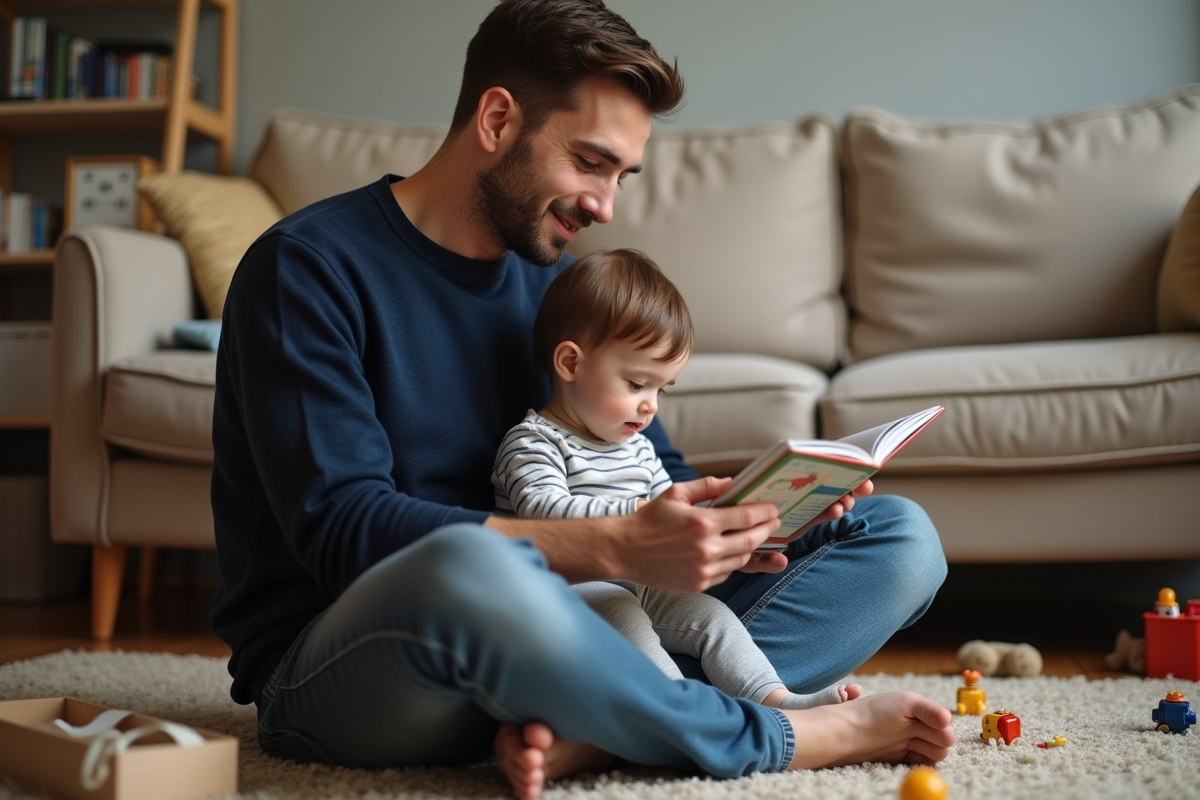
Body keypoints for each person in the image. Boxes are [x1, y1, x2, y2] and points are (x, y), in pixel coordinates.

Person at [209, 1, 954, 798]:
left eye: (622, 175)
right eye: (591, 162)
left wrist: (742, 522)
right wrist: (622, 545)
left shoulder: (563, 287)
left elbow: (648, 470)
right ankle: (762, 733)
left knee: (899, 536)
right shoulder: (308, 269)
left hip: (585, 622)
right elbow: (343, 532)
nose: (606, 205)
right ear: (497, 120)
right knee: (467, 567)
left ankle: (601, 731)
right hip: (356, 661)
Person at [491, 248, 862, 712]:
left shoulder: (639, 447)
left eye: (661, 389)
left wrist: (727, 535)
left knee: (714, 618)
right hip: (568, 590)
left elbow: (673, 509)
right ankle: (680, 712)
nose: (651, 406)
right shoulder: (533, 442)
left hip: (645, 580)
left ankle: (778, 700)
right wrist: (644, 519)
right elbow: (544, 517)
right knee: (624, 617)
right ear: (570, 364)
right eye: (636, 384)